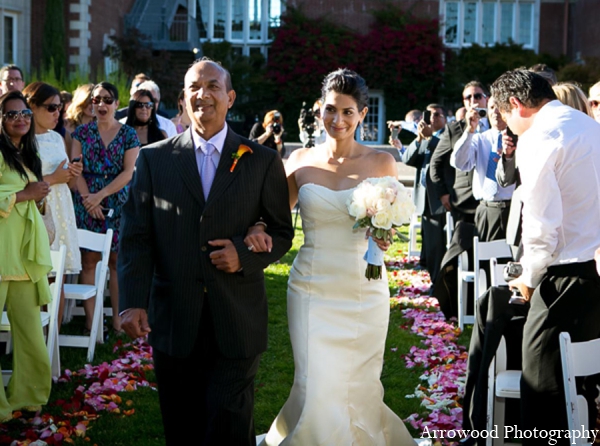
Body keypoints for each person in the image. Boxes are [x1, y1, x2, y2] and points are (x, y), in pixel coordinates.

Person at [117, 58, 294, 446]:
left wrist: (244, 255)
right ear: (182, 99)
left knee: (229, 423)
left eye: (213, 86)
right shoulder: (153, 159)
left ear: (230, 98)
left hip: (237, 317)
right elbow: (136, 236)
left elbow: (281, 232)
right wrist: (131, 301)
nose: (203, 94)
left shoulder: (261, 160)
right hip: (174, 317)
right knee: (183, 426)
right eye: (194, 87)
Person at [247, 68, 417, 446]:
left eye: (347, 112)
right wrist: (257, 228)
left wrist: (384, 233)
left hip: (364, 288)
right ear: (318, 110)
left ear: (361, 115)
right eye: (330, 110)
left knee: (360, 378)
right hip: (311, 287)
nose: (337, 120)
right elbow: (274, 217)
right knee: (314, 377)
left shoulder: (382, 163)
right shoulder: (300, 159)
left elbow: (392, 222)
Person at [492, 69, 600, 444]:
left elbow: (541, 227)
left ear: (516, 105)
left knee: (541, 387)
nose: (506, 125)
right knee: (580, 385)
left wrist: (526, 280)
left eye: (504, 115)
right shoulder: (589, 127)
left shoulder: (538, 138)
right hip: (594, 271)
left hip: (563, 277)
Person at [71, 82, 140, 334]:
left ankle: (118, 321)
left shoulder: (128, 134)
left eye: (107, 100)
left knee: (116, 261)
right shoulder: (81, 132)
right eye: (97, 100)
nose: (101, 104)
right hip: (86, 199)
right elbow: (75, 169)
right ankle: (92, 321)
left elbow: (128, 172)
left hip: (117, 202)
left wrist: (100, 196)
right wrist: (89, 199)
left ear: (117, 103)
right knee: (88, 260)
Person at [0, 90, 52, 420]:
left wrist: (39, 197)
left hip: (23, 256)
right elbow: (17, 196)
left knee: (31, 332)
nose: (20, 118)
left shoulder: (28, 155)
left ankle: (29, 396)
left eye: (25, 114)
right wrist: (24, 194)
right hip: (1, 252)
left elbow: (31, 199)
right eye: (11, 114)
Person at [23, 81, 83, 330]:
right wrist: (54, 178)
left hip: (61, 211)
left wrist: (73, 174)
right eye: (50, 107)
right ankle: (33, 339)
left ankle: (53, 342)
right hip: (36, 214)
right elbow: (19, 186)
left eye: (59, 107)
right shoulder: (19, 141)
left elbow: (66, 184)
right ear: (32, 106)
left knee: (57, 278)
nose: (57, 113)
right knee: (37, 278)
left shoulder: (58, 139)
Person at [451, 96, 516, 241]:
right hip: (487, 209)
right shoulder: (479, 139)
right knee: (486, 259)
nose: (496, 112)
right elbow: (459, 162)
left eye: (500, 107)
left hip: (514, 207)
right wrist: (469, 130)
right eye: (492, 107)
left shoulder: (519, 138)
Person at [397, 103, 448, 286]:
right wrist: (419, 139)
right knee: (429, 243)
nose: (432, 119)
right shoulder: (424, 137)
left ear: (445, 118)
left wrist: (429, 138)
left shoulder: (447, 136)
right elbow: (408, 159)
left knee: (438, 245)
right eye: (429, 115)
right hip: (424, 197)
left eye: (437, 115)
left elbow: (447, 153)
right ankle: (431, 276)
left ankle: (438, 283)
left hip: (439, 198)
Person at [429, 81, 488, 225]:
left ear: (486, 98)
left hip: (493, 198)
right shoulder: (453, 129)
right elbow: (435, 162)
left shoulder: (497, 124)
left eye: (478, 96)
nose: (473, 101)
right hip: (464, 200)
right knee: (461, 245)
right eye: (468, 97)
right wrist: (442, 193)